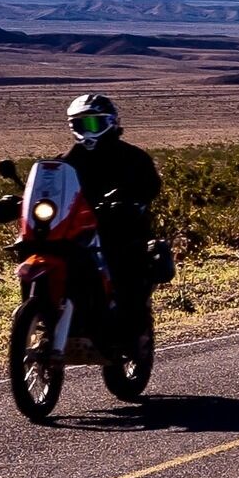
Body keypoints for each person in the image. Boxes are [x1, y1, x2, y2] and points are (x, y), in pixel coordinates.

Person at [61, 92, 164, 331]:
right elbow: (53, 186)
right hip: (78, 229)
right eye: (80, 124)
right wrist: (24, 201)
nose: (87, 130)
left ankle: (133, 330)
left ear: (110, 123)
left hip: (123, 227)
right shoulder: (67, 160)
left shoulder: (133, 157)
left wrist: (129, 200)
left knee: (127, 265)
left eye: (94, 123)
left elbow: (150, 185)